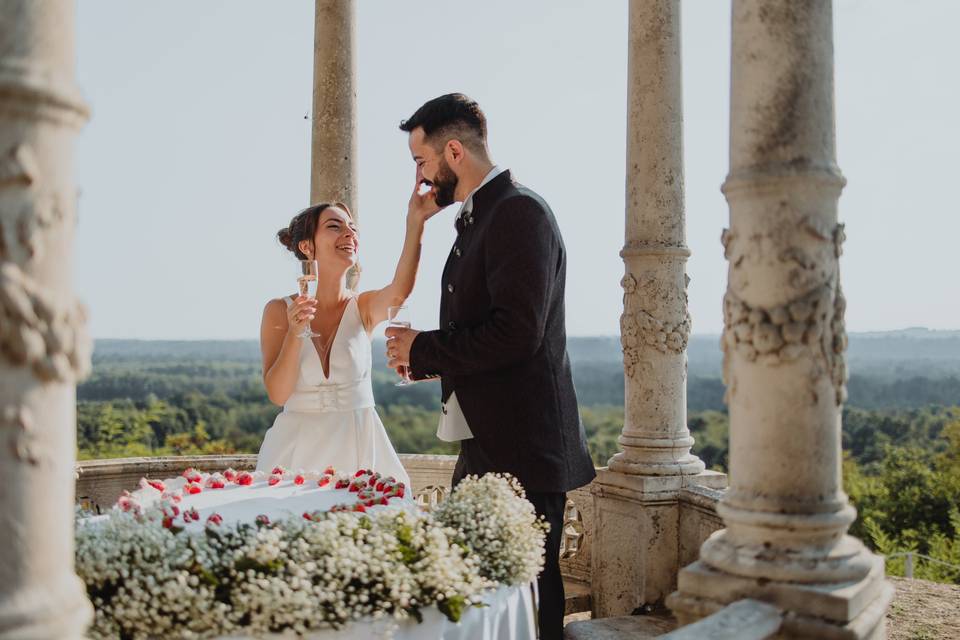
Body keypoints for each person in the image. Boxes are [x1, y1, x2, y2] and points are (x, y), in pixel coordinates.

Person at [385, 93, 596, 640]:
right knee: (484, 593)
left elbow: (517, 333)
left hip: (525, 447)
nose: (421, 177)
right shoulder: (481, 216)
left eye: (421, 161)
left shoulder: (519, 212)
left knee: (529, 596)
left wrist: (423, 351)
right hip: (488, 443)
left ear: (453, 151)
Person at [256, 199, 437, 486]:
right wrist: (294, 331)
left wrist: (417, 222)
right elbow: (278, 395)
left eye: (353, 228)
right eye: (334, 226)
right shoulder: (278, 310)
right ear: (307, 246)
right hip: (293, 452)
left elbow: (399, 291)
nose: (349, 234)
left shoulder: (363, 307)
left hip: (359, 447)